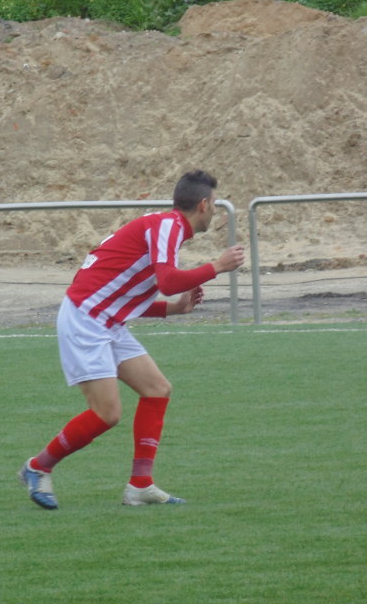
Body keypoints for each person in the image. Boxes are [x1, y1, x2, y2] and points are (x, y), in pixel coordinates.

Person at [18, 170, 246, 510]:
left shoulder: (164, 228)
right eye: (213, 203)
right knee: (107, 413)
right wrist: (217, 266)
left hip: (104, 320)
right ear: (203, 205)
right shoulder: (168, 226)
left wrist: (173, 309)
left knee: (157, 389)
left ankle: (140, 485)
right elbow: (168, 281)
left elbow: (125, 294)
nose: (214, 210)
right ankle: (38, 467)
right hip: (86, 320)